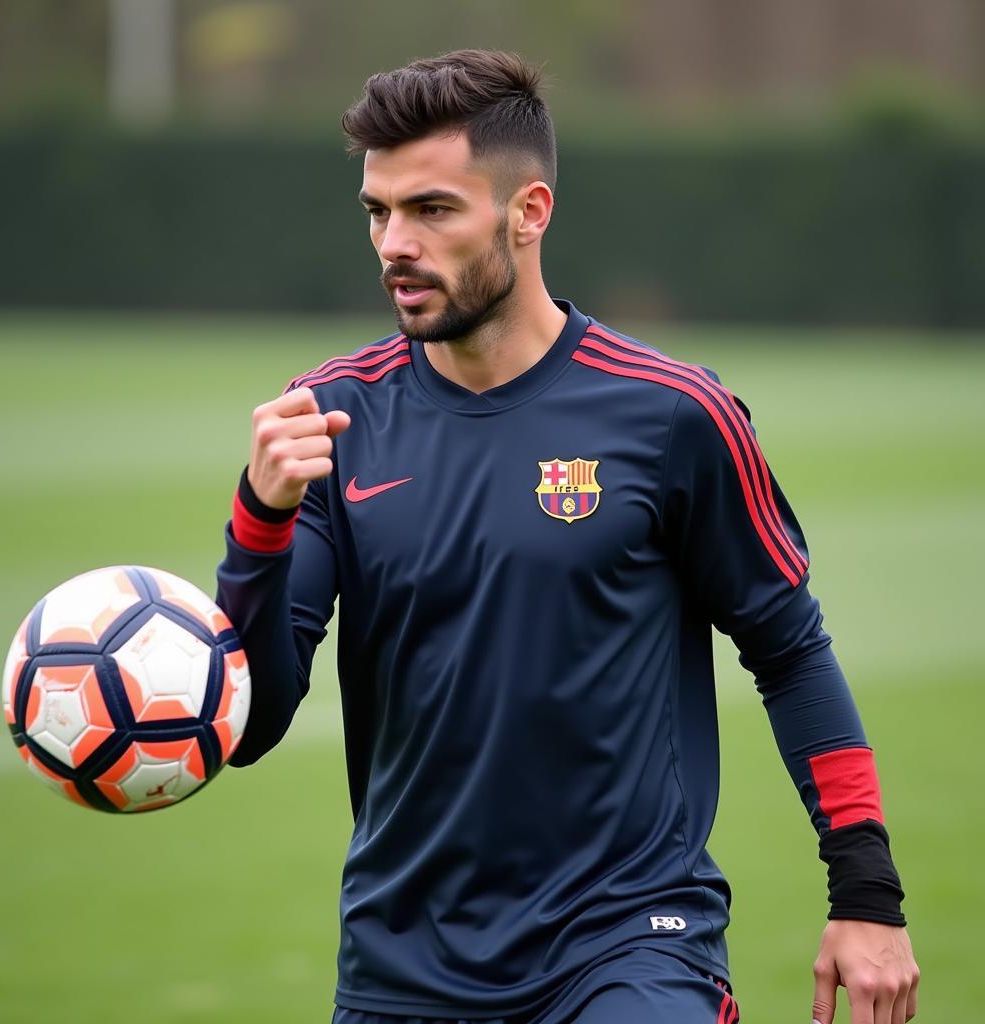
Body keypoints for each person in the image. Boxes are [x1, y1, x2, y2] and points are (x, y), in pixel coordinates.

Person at [216, 49, 919, 1024]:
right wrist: (259, 524)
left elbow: (789, 649)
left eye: (431, 210)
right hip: (402, 965)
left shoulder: (673, 414)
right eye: (378, 212)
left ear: (527, 212)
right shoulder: (333, 419)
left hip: (628, 943)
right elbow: (249, 729)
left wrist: (866, 897)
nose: (393, 245)